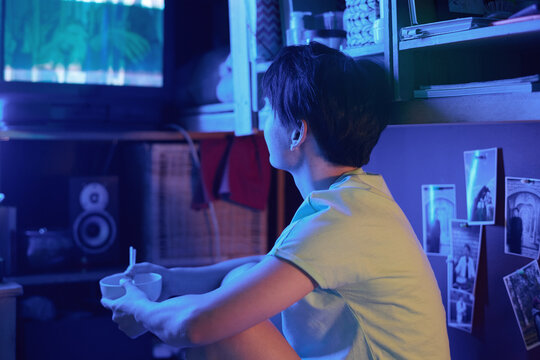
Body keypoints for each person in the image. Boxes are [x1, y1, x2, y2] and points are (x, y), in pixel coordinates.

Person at [101, 42, 450, 359]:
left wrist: (137, 307)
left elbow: (195, 325)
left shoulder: (342, 220)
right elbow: (269, 266)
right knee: (240, 278)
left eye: (268, 109)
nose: (263, 120)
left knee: (222, 327)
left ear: (297, 133)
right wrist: (171, 279)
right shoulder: (351, 202)